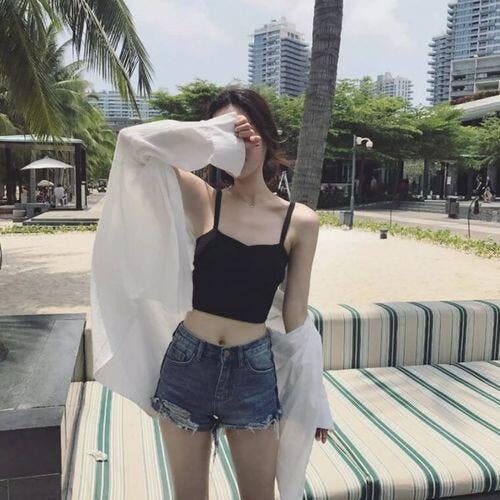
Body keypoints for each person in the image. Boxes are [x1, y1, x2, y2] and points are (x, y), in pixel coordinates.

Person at [148, 89, 328, 499]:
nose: (239, 142)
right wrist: (206, 134)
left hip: (253, 372)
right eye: (224, 134)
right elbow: (137, 144)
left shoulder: (300, 221)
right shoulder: (202, 198)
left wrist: (314, 398)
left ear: (265, 135)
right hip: (187, 366)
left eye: (245, 131)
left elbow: (297, 317)